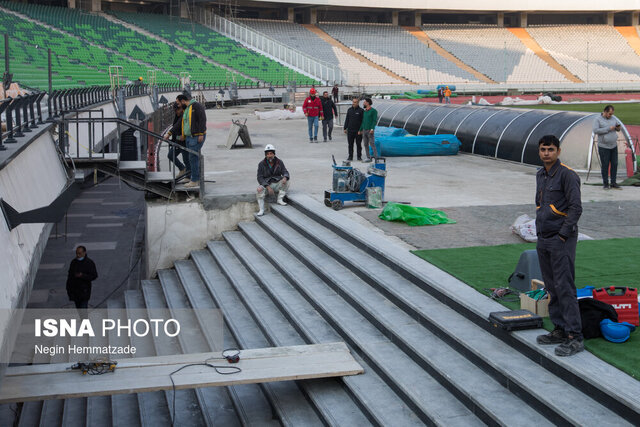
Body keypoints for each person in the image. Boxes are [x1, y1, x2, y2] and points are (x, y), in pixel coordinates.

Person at [534, 135, 584, 357]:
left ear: (558, 151)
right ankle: (560, 329)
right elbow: (540, 203)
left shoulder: (567, 175)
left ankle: (575, 336)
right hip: (544, 238)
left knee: (564, 286)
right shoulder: (541, 174)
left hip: (560, 239)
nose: (547, 153)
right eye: (543, 149)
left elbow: (575, 208)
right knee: (552, 286)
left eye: (551, 149)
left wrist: (563, 235)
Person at [177, 93, 207, 188]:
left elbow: (202, 119)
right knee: (191, 158)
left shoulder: (196, 106)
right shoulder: (188, 108)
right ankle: (192, 177)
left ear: (183, 101)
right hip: (189, 137)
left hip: (196, 136)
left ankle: (195, 180)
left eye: (179, 102)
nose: (179, 105)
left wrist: (201, 133)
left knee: (193, 158)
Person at [592, 105, 622, 190]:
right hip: (604, 146)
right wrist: (608, 128)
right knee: (605, 165)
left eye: (612, 114)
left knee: (615, 164)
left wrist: (618, 128)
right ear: (605, 112)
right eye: (609, 114)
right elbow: (596, 130)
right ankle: (605, 183)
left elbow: (618, 127)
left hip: (613, 145)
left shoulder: (613, 118)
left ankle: (613, 182)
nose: (610, 115)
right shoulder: (598, 119)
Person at [256, 144, 290, 216]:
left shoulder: (279, 162)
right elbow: (259, 177)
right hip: (267, 184)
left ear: (274, 154)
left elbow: (285, 171)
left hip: (277, 183)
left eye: (271, 153)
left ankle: (280, 199)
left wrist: (285, 177)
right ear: (265, 155)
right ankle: (261, 209)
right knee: (259, 189)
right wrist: (268, 187)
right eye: (267, 154)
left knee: (287, 181)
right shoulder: (261, 164)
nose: (269, 155)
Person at [167, 102, 190, 180]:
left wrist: (169, 133)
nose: (176, 112)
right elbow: (175, 126)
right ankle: (182, 169)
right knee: (170, 155)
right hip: (178, 141)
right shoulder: (177, 116)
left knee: (186, 160)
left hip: (184, 142)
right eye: (175, 110)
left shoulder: (184, 115)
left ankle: (188, 176)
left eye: (177, 110)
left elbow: (178, 126)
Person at [358, 98, 378, 162]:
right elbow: (363, 121)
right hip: (364, 130)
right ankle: (368, 157)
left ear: (368, 103)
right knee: (365, 144)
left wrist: (372, 128)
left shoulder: (373, 111)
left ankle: (376, 157)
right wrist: (360, 130)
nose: (363, 103)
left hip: (370, 130)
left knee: (372, 144)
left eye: (364, 102)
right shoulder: (365, 111)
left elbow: (374, 121)